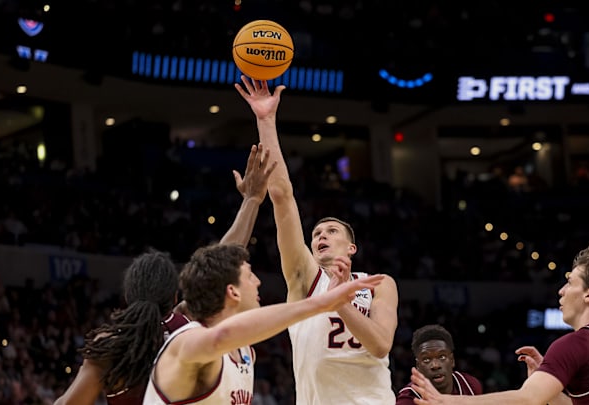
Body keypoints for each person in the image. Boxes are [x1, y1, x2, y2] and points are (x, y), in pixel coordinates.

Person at [54, 143, 277, 405]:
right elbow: (222, 263)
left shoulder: (110, 344)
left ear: (128, 295)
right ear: (174, 297)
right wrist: (252, 201)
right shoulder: (185, 328)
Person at [235, 76, 399, 404]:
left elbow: (381, 344)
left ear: (351, 248)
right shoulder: (306, 279)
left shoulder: (378, 284)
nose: (321, 235)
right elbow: (282, 197)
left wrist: (341, 302)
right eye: (316, 234)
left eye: (331, 231)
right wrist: (266, 120)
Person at [143, 243, 385, 404]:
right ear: (232, 292)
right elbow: (220, 336)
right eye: (249, 275)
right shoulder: (187, 341)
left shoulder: (245, 353)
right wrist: (321, 303)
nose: (258, 282)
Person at [411, 240, 589, 405]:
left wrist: (449, 401)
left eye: (570, 283)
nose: (561, 291)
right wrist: (550, 380)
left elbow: (527, 399)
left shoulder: (576, 344)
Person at [396, 325, 482, 404]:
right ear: (418, 366)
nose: (435, 365)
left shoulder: (470, 385)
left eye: (442, 357)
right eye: (426, 359)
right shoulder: (407, 399)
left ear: (452, 360)